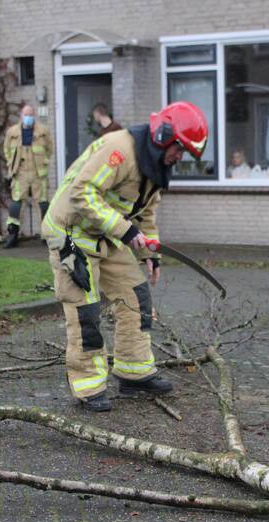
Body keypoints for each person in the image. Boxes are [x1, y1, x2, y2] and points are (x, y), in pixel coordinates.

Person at [43, 101, 208, 412]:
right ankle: (88, 386)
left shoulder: (154, 165)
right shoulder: (118, 150)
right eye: (180, 149)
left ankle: (134, 372)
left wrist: (150, 253)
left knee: (137, 296)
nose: (179, 157)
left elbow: (147, 213)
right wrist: (126, 232)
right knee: (85, 312)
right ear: (164, 135)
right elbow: (82, 194)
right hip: (72, 236)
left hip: (106, 235)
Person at [3, 104, 53, 248]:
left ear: (34, 115)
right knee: (17, 205)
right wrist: (11, 164)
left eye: (31, 115)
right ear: (21, 116)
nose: (28, 118)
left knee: (42, 204)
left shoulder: (43, 131)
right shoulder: (12, 132)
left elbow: (49, 149)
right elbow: (6, 149)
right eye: (26, 115)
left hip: (38, 174)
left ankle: (46, 236)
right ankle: (13, 235)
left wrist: (42, 162)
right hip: (20, 173)